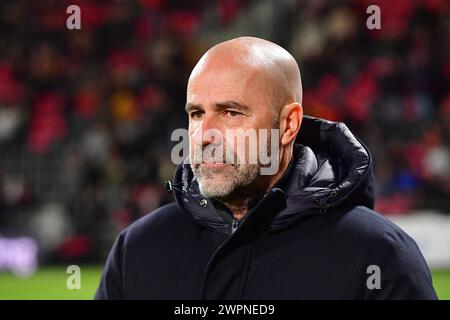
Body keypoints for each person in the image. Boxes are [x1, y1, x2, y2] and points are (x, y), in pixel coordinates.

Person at [95, 37, 437, 299]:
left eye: (231, 112)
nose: (203, 136)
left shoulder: (378, 253)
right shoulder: (137, 249)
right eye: (197, 114)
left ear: (288, 124)